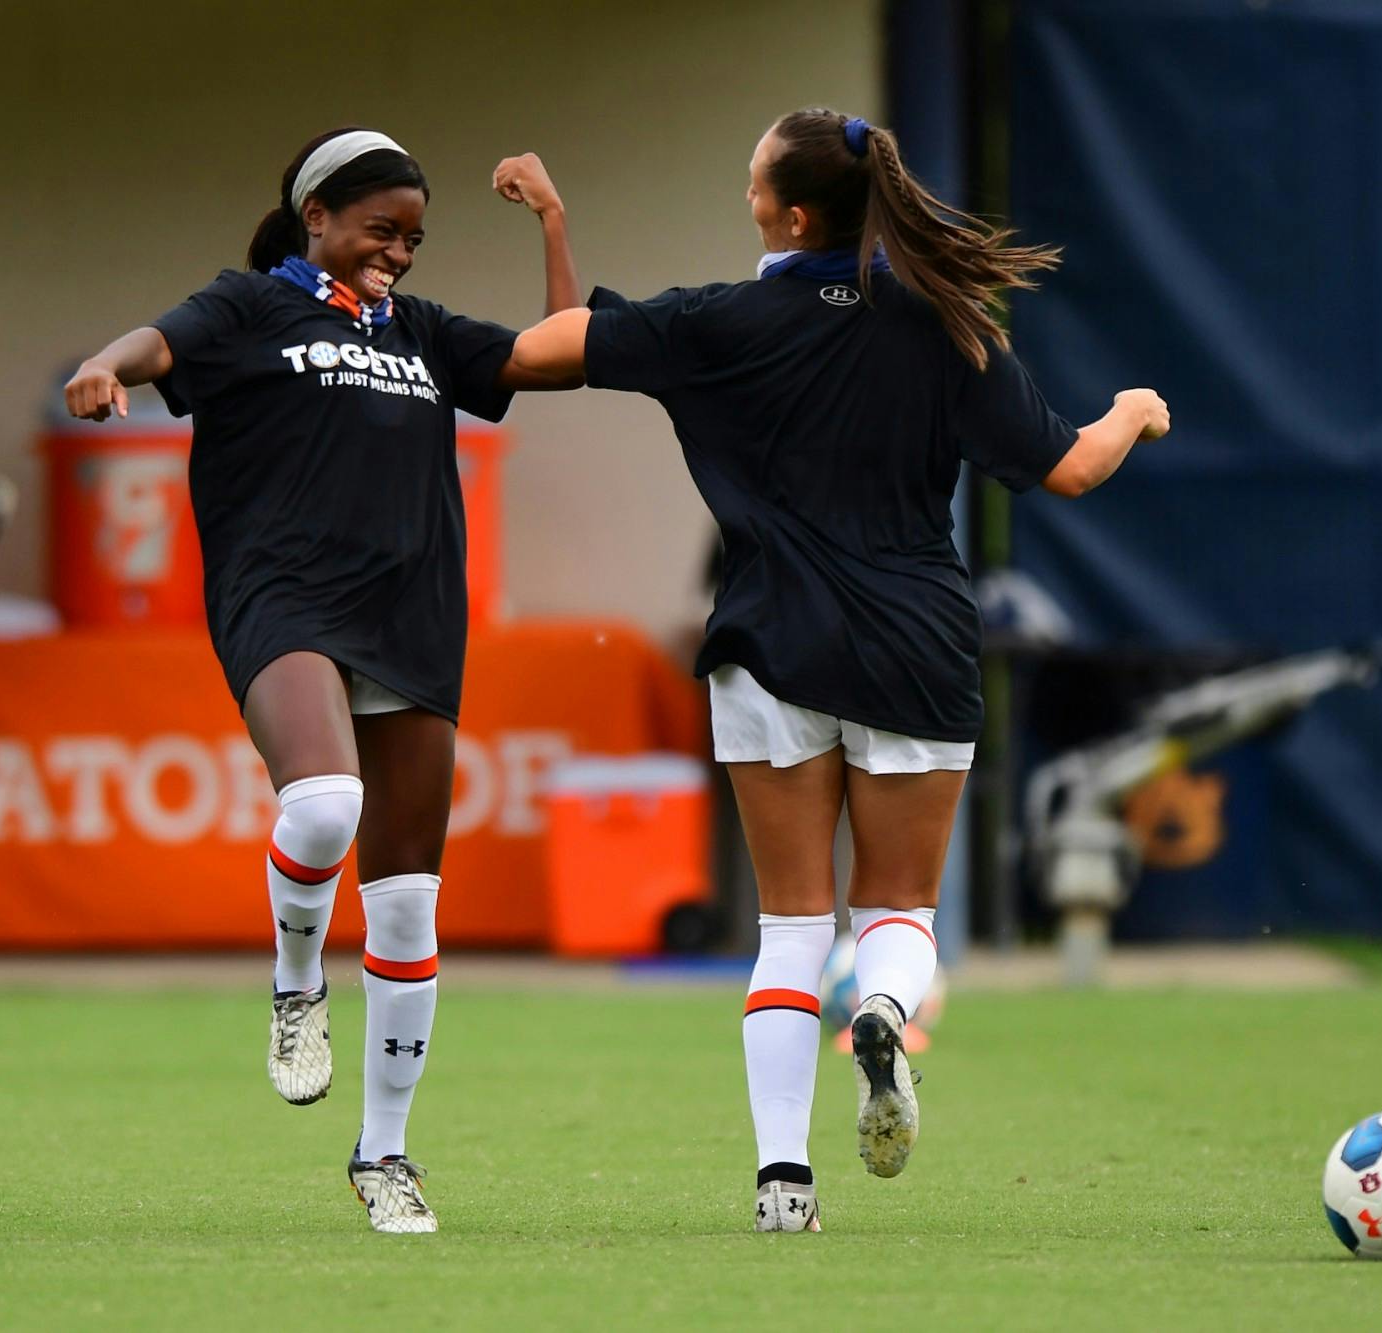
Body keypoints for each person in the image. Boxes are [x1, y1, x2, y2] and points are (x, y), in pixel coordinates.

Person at [500, 108, 1170, 1231]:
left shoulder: (716, 321)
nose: (746, 193)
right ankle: (886, 1013)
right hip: (915, 644)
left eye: (753, 179)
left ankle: (782, 1184)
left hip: (771, 646)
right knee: (897, 906)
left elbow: (542, 353)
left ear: (792, 214)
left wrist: (555, 222)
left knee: (789, 929)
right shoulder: (947, 323)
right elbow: (1066, 469)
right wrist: (1130, 411)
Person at [63, 130, 578, 1233]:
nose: (398, 253)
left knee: (405, 904)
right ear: (317, 217)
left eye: (414, 239)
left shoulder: (422, 333)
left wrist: (550, 220)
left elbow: (558, 355)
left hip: (411, 612)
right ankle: (298, 977)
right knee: (324, 803)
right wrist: (106, 363)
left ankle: (384, 1155)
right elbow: (158, 343)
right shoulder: (250, 306)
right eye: (381, 230)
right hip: (284, 595)